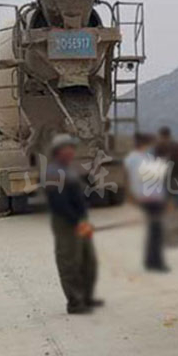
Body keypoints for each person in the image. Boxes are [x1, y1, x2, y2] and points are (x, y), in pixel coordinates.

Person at [44, 134, 102, 314]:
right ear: (59, 151)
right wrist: (76, 221)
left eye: (72, 148)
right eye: (68, 148)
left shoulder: (68, 169)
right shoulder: (53, 172)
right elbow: (58, 202)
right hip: (66, 222)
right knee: (70, 262)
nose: (72, 152)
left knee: (88, 261)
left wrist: (84, 218)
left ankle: (86, 297)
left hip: (79, 220)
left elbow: (79, 196)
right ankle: (75, 303)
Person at [124, 133, 169, 272]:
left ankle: (152, 261)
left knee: (154, 231)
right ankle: (155, 262)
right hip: (150, 198)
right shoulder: (138, 159)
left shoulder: (134, 158)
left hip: (149, 197)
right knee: (156, 231)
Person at [154, 126, 178, 208]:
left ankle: (169, 218)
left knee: (165, 203)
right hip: (177, 178)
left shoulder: (159, 148)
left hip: (166, 178)